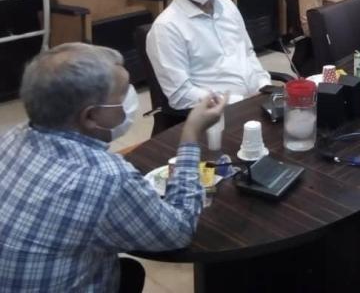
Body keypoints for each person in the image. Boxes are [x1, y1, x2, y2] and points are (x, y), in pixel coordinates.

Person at [0, 43, 226, 292]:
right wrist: (191, 134)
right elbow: (178, 232)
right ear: (90, 116)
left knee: (128, 270)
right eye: (122, 93)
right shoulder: (105, 178)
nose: (130, 98)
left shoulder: (11, 138)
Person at [146, 0, 271, 111]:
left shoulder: (227, 5)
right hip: (216, 113)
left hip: (257, 100)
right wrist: (239, 101)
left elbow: (247, 53)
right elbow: (181, 95)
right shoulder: (167, 27)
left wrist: (264, 86)